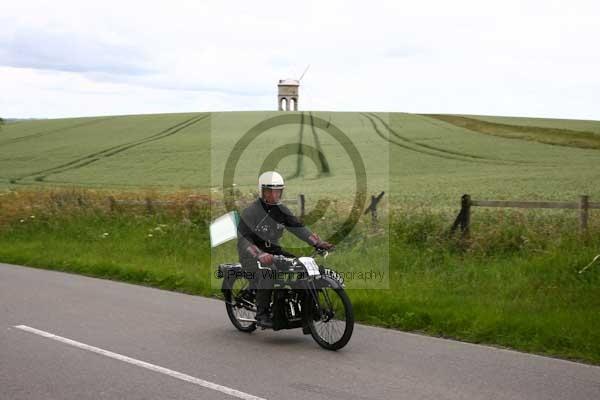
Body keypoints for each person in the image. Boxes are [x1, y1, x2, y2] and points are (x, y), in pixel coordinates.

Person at [237, 171, 334, 328]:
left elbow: (299, 229)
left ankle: (310, 309)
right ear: (262, 191)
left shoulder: (282, 211)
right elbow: (244, 240)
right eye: (270, 191)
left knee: (301, 266)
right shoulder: (251, 212)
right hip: (251, 256)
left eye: (278, 191)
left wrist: (317, 243)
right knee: (270, 272)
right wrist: (260, 254)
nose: (275, 195)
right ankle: (262, 314)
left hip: (275, 252)